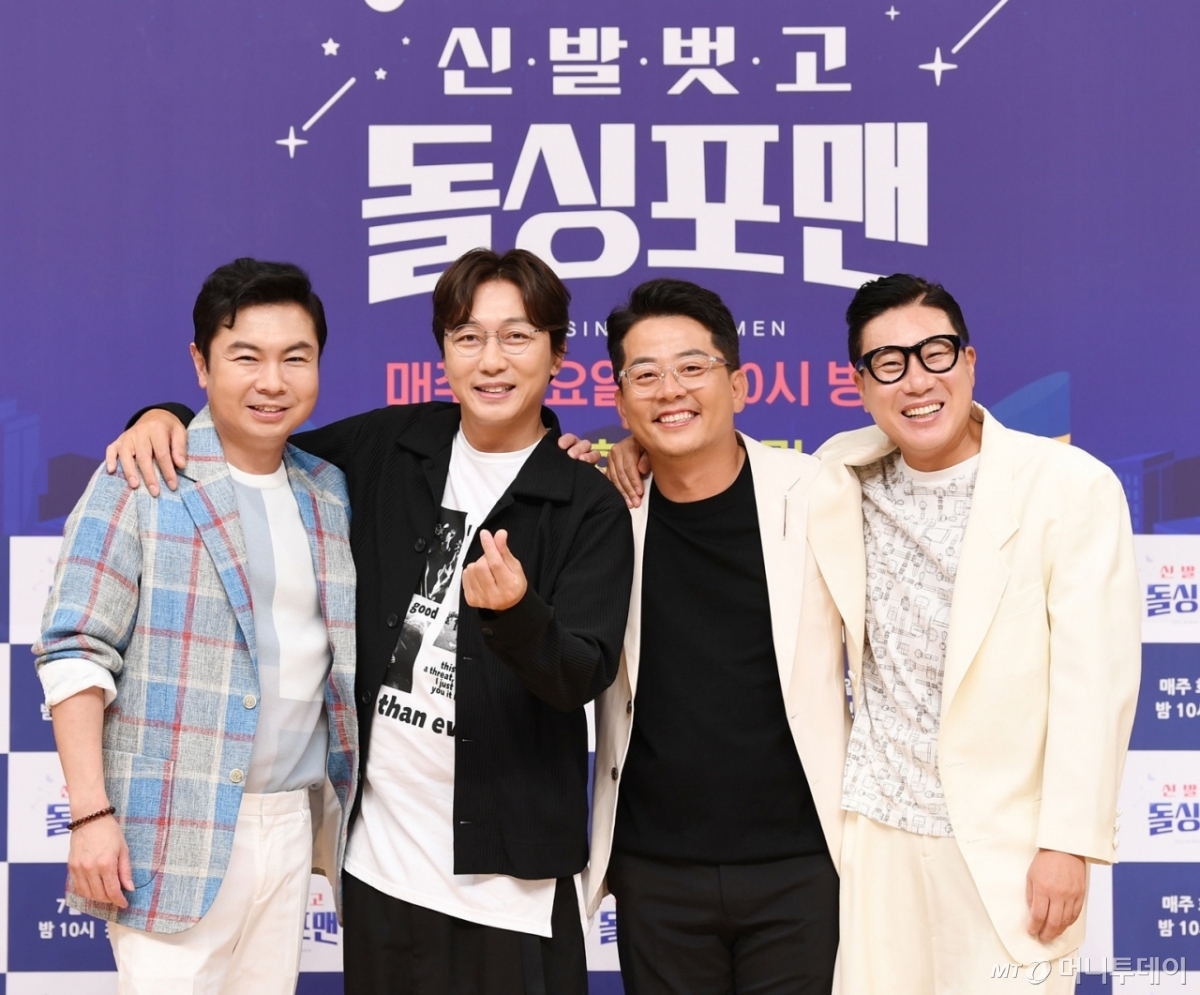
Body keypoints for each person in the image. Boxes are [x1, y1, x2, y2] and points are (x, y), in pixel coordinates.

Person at [106, 248, 635, 995]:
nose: (491, 360)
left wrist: (517, 614)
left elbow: (583, 673)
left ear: (556, 354)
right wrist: (159, 416)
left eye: (517, 337)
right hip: (379, 865)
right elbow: (257, 440)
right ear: (443, 352)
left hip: (510, 877)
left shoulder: (585, 502)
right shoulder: (390, 444)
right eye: (468, 337)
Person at [34, 258, 359, 995]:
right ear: (201, 364)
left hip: (291, 825)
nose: (272, 381)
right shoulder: (140, 475)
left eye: (295, 358)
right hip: (167, 831)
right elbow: (74, 649)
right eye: (245, 357)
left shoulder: (328, 491)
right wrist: (89, 815)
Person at [809, 274, 1140, 993]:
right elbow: (732, 472)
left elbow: (1095, 681)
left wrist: (1068, 843)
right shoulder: (838, 476)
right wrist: (633, 455)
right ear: (860, 385)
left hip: (1005, 849)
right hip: (877, 840)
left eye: (935, 353)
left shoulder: (1069, 485)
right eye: (888, 364)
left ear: (969, 361)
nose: (916, 380)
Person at [588, 279, 849, 994]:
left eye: (691, 367)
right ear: (621, 401)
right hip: (656, 870)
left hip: (801, 865)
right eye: (645, 374)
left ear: (738, 383)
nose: (669, 389)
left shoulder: (818, 493)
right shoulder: (604, 512)